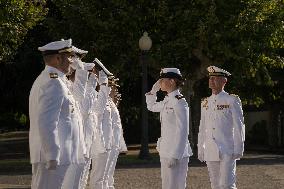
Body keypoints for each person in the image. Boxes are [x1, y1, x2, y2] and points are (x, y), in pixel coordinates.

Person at [29, 39, 86, 189]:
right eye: (69, 57)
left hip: (58, 155)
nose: (71, 61)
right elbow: (46, 121)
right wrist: (52, 155)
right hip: (54, 156)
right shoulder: (53, 82)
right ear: (58, 58)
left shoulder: (55, 80)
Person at [197, 66, 245, 189]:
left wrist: (239, 148)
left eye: (216, 78)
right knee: (215, 183)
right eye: (210, 78)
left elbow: (239, 125)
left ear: (224, 81)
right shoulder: (205, 102)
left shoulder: (231, 100)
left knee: (227, 184)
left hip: (227, 148)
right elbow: (202, 127)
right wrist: (201, 148)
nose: (212, 81)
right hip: (210, 148)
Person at [145, 68, 192, 189]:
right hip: (166, 150)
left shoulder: (179, 102)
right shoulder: (168, 100)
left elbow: (183, 131)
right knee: (167, 186)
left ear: (171, 81)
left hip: (176, 153)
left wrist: (176, 155)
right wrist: (152, 92)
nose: (159, 83)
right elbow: (151, 106)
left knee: (175, 186)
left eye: (162, 80)